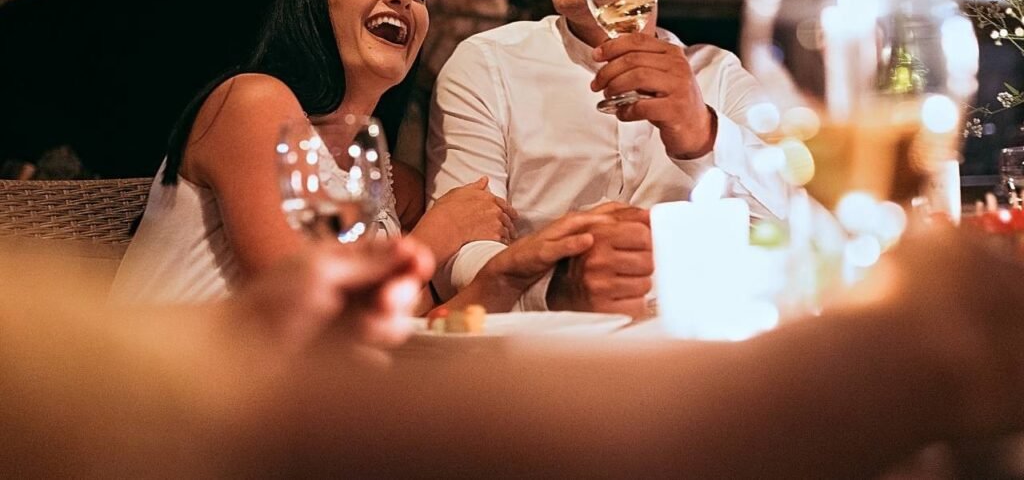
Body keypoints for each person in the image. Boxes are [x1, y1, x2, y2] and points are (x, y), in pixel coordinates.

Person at [6, 223, 1024, 478]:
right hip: (599, 378)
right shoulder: (488, 64)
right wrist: (911, 352)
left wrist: (233, 339)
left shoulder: (713, 72)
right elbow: (473, 240)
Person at [110, 0, 596, 311]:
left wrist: (514, 269)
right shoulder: (250, 102)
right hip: (163, 398)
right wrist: (433, 238)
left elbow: (413, 322)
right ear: (314, 4)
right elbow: (300, 298)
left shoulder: (388, 182)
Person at [427, 0, 787, 315]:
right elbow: (458, 254)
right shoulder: (487, 64)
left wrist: (705, 136)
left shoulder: (718, 75)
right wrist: (557, 288)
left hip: (696, 357)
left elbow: (794, 227)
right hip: (537, 364)